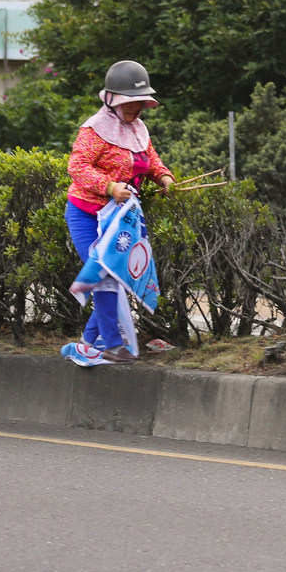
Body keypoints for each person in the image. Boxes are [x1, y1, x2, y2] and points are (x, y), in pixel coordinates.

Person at [64, 60, 175, 365]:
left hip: (120, 218)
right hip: (86, 214)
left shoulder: (139, 129)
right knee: (103, 275)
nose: (136, 108)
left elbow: (150, 161)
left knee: (116, 276)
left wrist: (164, 177)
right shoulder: (93, 129)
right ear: (112, 100)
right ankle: (113, 345)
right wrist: (109, 186)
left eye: (140, 102)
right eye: (130, 101)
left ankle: (88, 342)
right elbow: (77, 167)